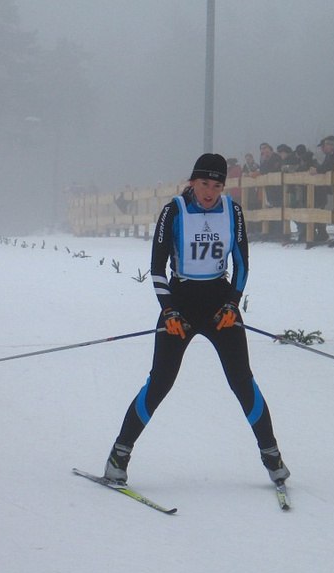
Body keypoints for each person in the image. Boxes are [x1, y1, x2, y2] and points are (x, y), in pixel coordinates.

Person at [103, 153, 290, 486]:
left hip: (220, 305)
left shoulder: (232, 211)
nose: (210, 192)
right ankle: (119, 454)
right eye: (204, 184)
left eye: (217, 186)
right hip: (181, 303)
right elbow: (157, 267)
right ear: (192, 182)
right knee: (160, 382)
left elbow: (242, 263)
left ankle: (272, 455)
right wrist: (168, 309)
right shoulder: (174, 211)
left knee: (242, 380)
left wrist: (232, 304)